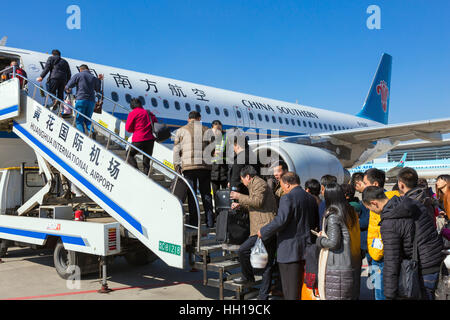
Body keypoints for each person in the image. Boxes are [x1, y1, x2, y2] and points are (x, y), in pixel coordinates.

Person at [362, 186, 444, 300]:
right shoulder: (412, 203)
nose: (372, 211)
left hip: (419, 268)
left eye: (369, 208)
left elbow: (391, 261)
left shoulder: (389, 222)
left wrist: (389, 294)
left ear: (374, 203)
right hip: (434, 260)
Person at [257, 172, 319, 300]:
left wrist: (263, 231)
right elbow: (315, 223)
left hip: (290, 251)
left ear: (287, 184)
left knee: (290, 291)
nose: (283, 189)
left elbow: (281, 220)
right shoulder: (311, 198)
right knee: (302, 288)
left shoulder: (288, 198)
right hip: (307, 249)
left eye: (282, 186)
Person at [229, 166, 277, 300]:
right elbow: (255, 205)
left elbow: (258, 202)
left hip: (264, 228)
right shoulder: (254, 184)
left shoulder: (259, 184)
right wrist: (241, 205)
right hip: (262, 227)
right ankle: (263, 295)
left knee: (243, 250)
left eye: (242, 179)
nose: (242, 182)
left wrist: (239, 196)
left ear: (248, 177)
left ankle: (248, 277)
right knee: (267, 264)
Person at [317, 183, 361, 300]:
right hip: (353, 261)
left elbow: (333, 243)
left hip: (338, 265)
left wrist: (320, 240)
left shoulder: (333, 215)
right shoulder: (350, 211)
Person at [173, 111, 215, 227]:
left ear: (188, 119)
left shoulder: (181, 130)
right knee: (206, 194)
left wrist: (177, 166)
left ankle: (194, 223)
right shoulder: (207, 130)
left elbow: (176, 150)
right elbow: (213, 149)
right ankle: (210, 222)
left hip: (188, 167)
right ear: (199, 118)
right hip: (205, 167)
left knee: (192, 195)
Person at [363, 168, 399, 300]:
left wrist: (375, 254)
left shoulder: (382, 205)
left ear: (375, 185)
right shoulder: (393, 200)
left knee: (380, 293)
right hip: (377, 254)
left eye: (366, 183)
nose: (363, 186)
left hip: (380, 256)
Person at [65, 64, 103, 134]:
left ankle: (82, 135)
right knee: (88, 120)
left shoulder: (78, 75)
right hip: (91, 102)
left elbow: (69, 85)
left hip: (81, 99)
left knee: (79, 120)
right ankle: (91, 133)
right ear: (88, 69)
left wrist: (67, 89)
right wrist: (99, 80)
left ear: (80, 69)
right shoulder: (93, 78)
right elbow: (98, 89)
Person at [125, 98, 157, 175]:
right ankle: (146, 177)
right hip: (150, 140)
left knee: (129, 154)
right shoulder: (149, 113)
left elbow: (128, 128)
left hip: (139, 139)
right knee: (146, 161)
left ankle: (137, 172)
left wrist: (135, 129)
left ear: (132, 106)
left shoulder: (133, 113)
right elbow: (155, 123)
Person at [342, 183, 370, 264]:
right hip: (359, 242)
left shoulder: (352, 206)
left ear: (346, 195)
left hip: (355, 242)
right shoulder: (357, 203)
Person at [227, 128, 259, 194]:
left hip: (243, 196)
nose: (233, 149)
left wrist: (234, 196)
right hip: (253, 194)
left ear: (236, 144)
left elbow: (235, 181)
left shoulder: (240, 159)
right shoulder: (251, 155)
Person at [210, 120, 228, 207]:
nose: (218, 131)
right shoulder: (209, 138)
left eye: (220, 129)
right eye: (216, 130)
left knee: (225, 195)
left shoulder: (226, 137)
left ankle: (225, 214)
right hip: (213, 172)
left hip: (224, 170)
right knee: (216, 195)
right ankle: (217, 214)